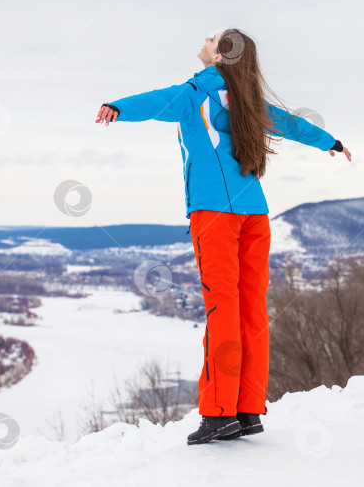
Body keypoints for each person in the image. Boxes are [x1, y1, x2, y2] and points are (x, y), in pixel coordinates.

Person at [95, 28, 351, 446]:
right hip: (256, 214)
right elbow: (290, 125)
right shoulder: (247, 99)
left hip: (213, 216)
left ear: (219, 57)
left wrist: (116, 107)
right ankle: (248, 409)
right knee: (252, 310)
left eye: (212, 38)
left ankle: (218, 414)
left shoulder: (197, 91)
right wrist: (331, 142)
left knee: (223, 309)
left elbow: (158, 100)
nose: (204, 39)